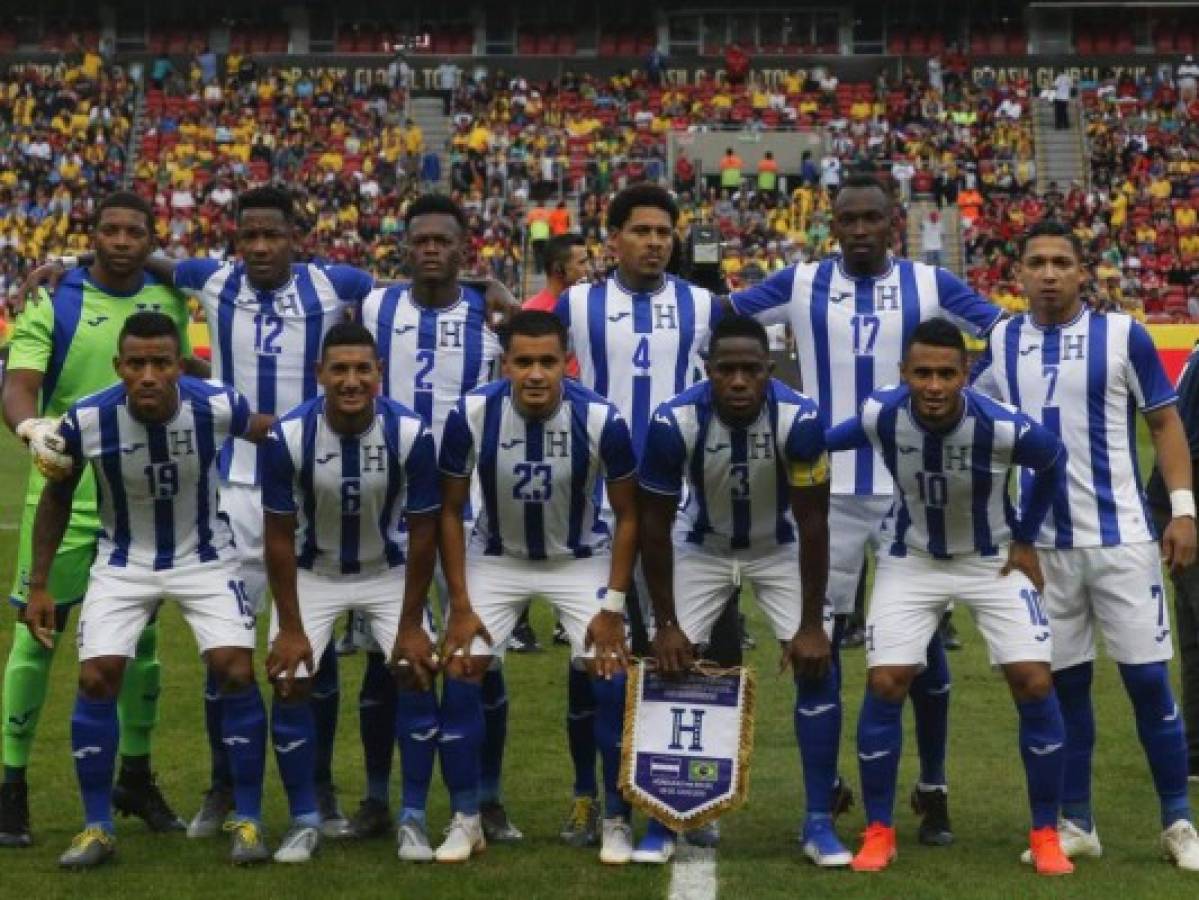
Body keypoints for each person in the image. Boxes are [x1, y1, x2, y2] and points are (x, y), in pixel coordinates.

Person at [731, 173, 1005, 846]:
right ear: (831, 224)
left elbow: (1003, 332)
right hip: (822, 493)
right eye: (846, 219)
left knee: (924, 654)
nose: (858, 229)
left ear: (893, 225)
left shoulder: (930, 286)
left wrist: (973, 407)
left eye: (870, 219)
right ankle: (822, 792)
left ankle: (931, 788)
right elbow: (720, 323)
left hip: (914, 492)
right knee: (811, 644)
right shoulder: (796, 285)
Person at [972, 220, 1199, 869]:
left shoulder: (1122, 333)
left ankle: (1176, 821)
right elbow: (962, 414)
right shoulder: (999, 341)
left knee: (1148, 682)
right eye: (1035, 262)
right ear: (1016, 274)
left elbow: (1163, 423)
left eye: (1059, 262)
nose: (1047, 273)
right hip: (1041, 551)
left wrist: (1181, 511)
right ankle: (1076, 822)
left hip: (1123, 541)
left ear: (1082, 272)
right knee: (1063, 687)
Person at [24, 312, 274, 867]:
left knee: (235, 668)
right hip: (122, 560)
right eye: (135, 363)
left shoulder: (216, 405)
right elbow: (56, 498)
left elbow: (271, 433)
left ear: (180, 365)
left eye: (161, 362)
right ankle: (96, 829)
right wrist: (38, 584)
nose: (148, 375)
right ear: (119, 366)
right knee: (95, 677)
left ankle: (249, 820)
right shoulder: (87, 419)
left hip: (206, 556)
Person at [826, 318, 1072, 875]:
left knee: (1034, 679)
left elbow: (1053, 460)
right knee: (887, 680)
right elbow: (819, 440)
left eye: (945, 373)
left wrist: (1028, 538)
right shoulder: (881, 413)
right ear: (903, 373)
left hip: (992, 560)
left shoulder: (1000, 425)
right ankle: (880, 830)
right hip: (910, 559)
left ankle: (1046, 833)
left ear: (965, 375)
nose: (933, 385)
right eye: (922, 373)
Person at [402, 309, 637, 864]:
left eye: (547, 362)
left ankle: (615, 818)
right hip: (497, 558)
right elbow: (451, 510)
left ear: (566, 364)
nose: (536, 374)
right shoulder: (472, 413)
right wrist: (459, 605)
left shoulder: (602, 418)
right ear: (504, 364)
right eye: (524, 362)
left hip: (579, 559)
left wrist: (614, 606)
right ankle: (467, 819)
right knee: (462, 666)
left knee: (609, 674)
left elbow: (629, 515)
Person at [0, 193, 198, 847]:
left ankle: (135, 777)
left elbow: (188, 373)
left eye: (132, 231)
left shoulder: (172, 297)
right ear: (92, 236)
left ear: (150, 238)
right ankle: (11, 788)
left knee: (142, 647)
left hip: (141, 499)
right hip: (65, 499)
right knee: (38, 637)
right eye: (107, 231)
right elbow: (19, 383)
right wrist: (31, 427)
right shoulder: (52, 296)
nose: (120, 241)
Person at [553, 184, 721, 847]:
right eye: (641, 230)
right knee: (591, 662)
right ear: (612, 236)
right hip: (599, 509)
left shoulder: (703, 305)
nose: (655, 241)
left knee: (684, 656)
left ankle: (684, 797)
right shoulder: (575, 304)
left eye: (664, 231)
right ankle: (586, 797)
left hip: (683, 508)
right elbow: (517, 349)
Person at [636, 315, 838, 865]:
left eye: (752, 370)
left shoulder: (800, 418)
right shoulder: (672, 420)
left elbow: (814, 523)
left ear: (769, 370)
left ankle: (819, 821)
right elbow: (653, 525)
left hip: (778, 547)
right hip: (701, 546)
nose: (740, 381)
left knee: (820, 663)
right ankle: (662, 818)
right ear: (709, 372)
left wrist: (812, 623)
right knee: (665, 665)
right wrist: (669, 622)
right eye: (728, 370)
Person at [358, 194, 517, 849]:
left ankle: (487, 795)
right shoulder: (374, 306)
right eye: (418, 239)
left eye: (441, 240)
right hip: (386, 503)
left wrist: (496, 290)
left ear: (462, 248)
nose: (429, 248)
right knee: (383, 655)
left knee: (479, 654)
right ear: (403, 247)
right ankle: (373, 797)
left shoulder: (492, 316)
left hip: (466, 508)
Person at [260, 324, 440, 864]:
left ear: (379, 373)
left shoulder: (410, 432)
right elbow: (277, 538)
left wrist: (411, 625)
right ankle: (304, 820)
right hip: (314, 574)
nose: (351, 380)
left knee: (416, 668)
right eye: (339, 369)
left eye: (363, 369)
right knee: (290, 680)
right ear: (320, 374)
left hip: (387, 571)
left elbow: (426, 532)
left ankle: (412, 818)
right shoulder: (287, 437)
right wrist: (290, 629)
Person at [1148, 342, 1199, 781]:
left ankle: (1195, 753)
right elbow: (1186, 443)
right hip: (1185, 506)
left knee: (1196, 636)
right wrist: (1184, 517)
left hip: (1177, 503)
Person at [524, 233, 590, 380]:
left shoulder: (592, 305)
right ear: (558, 269)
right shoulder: (530, 313)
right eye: (582, 263)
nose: (588, 269)